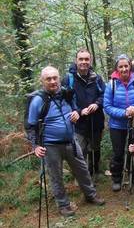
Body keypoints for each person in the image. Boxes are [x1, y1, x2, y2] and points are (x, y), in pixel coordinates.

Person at [27, 66, 104, 217]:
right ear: (42, 81)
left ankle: (91, 195)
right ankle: (63, 205)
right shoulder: (37, 101)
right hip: (50, 146)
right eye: (48, 79)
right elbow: (30, 126)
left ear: (58, 77)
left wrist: (76, 113)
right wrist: (35, 146)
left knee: (82, 169)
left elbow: (75, 109)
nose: (52, 81)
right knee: (56, 176)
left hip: (71, 141)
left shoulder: (66, 93)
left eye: (55, 77)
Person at [104, 54, 134, 192]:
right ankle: (116, 178)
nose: (124, 69)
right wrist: (124, 113)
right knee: (118, 153)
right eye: (121, 66)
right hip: (117, 126)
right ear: (117, 68)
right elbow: (107, 106)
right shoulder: (111, 85)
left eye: (126, 66)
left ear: (130, 66)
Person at [61, 48, 106, 177]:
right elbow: (64, 103)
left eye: (86, 59)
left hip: (96, 121)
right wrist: (80, 112)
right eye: (81, 59)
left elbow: (104, 95)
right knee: (80, 150)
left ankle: (95, 170)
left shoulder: (97, 78)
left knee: (95, 147)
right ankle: (82, 176)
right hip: (78, 124)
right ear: (76, 61)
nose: (84, 62)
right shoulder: (68, 79)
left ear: (90, 60)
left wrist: (97, 104)